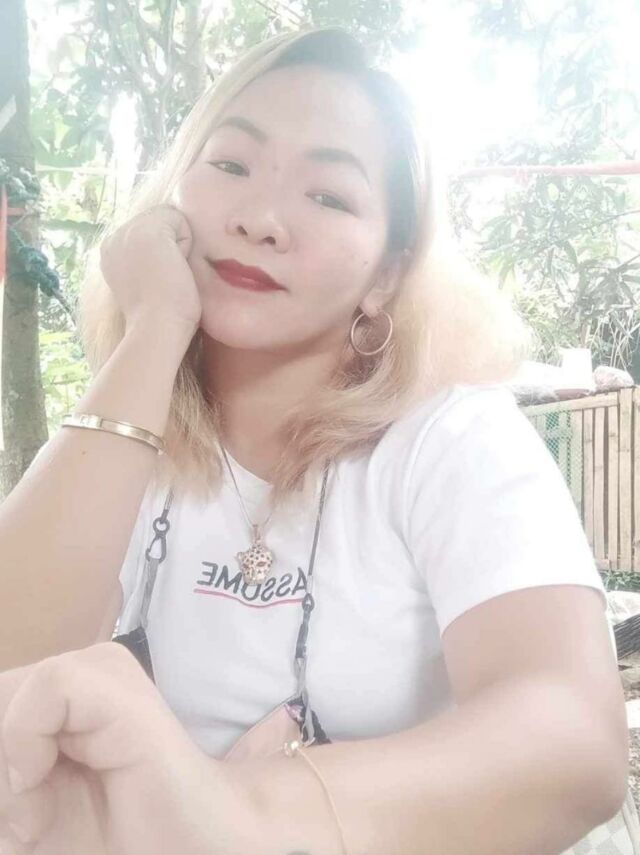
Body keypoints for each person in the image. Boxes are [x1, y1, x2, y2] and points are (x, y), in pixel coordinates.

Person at [0, 25, 628, 855]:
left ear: (386, 274)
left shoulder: (453, 440)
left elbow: (574, 741)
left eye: (329, 196)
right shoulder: (131, 436)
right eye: (230, 164)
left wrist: (229, 808)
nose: (260, 219)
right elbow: (12, 660)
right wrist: (154, 328)